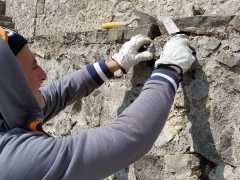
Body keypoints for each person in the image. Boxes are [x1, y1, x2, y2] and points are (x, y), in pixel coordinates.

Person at [0, 26, 195, 180]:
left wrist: (115, 63)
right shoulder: (14, 162)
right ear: (9, 84)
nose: (44, 75)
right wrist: (168, 70)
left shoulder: (6, 111)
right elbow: (128, 138)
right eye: (34, 67)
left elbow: (57, 94)